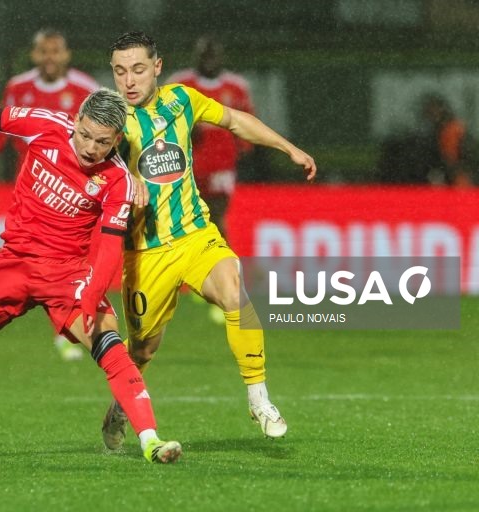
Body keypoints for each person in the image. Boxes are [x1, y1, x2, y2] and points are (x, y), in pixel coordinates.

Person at [0, 88, 182, 464]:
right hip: (12, 263)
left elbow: (109, 247)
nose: (91, 147)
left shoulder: (118, 181)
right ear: (76, 121)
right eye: (86, 135)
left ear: (118, 140)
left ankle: (151, 441)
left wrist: (92, 293)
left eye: (103, 142)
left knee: (110, 348)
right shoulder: (43, 125)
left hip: (65, 276)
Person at [101, 32, 316, 450]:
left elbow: (235, 120)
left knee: (236, 292)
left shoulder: (182, 99)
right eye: (120, 71)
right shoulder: (109, 120)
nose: (129, 80)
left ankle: (259, 398)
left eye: (138, 69)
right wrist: (123, 183)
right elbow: (85, 168)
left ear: (157, 67)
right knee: (143, 349)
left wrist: (288, 148)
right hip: (145, 253)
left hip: (197, 234)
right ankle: (120, 405)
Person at [0, 28, 100, 361]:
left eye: (56, 51)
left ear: (67, 54)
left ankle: (69, 328)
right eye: (44, 51)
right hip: (29, 193)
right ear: (34, 55)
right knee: (27, 259)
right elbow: (1, 127)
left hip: (73, 194)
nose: (50, 57)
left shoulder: (86, 90)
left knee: (68, 262)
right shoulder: (18, 88)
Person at [166, 35, 257, 325]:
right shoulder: (179, 84)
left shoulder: (235, 87)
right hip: (184, 169)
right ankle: (200, 280)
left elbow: (247, 124)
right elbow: (159, 121)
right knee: (185, 226)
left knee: (217, 223)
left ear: (220, 57)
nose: (208, 60)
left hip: (220, 168)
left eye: (213, 55)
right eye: (203, 55)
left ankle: (227, 289)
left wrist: (240, 148)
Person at [421, 94, 474, 187]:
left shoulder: (454, 128)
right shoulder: (433, 135)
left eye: (434, 110)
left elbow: (454, 156)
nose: (432, 115)